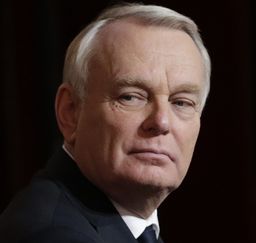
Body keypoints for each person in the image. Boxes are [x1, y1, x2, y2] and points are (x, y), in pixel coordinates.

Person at [0, 3, 210, 243]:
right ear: (70, 112)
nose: (161, 122)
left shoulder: (132, 228)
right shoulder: (55, 235)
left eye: (181, 102)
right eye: (131, 97)